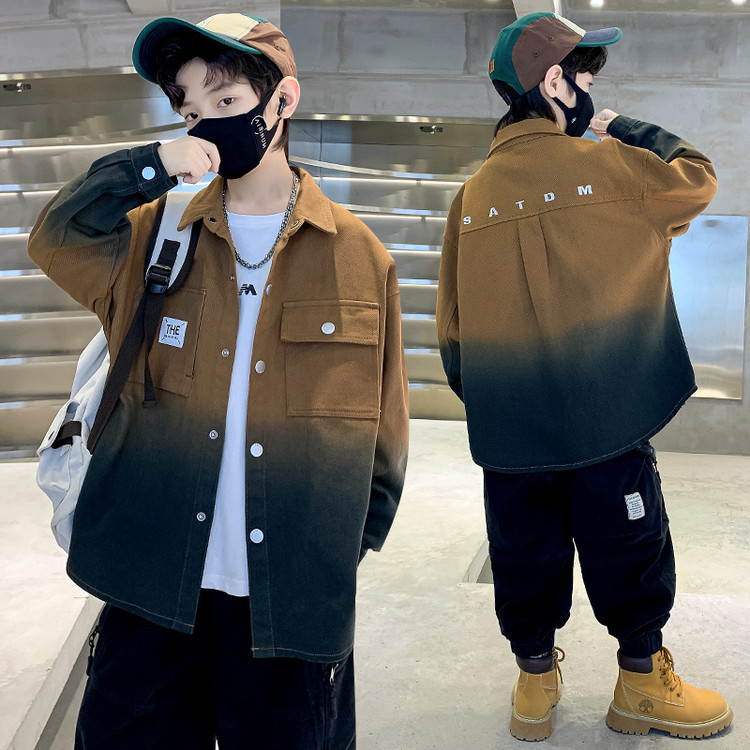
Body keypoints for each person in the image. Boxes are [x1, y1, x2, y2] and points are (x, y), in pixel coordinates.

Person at [29, 12, 409, 749]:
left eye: (227, 100)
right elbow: (58, 236)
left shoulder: (359, 256)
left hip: (288, 600)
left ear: (283, 101)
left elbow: (384, 435)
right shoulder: (156, 232)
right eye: (190, 110)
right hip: (151, 581)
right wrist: (150, 164)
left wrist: (335, 549)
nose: (206, 124)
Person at [437, 11, 732, 743]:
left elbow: (452, 329)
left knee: (523, 546)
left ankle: (534, 689)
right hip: (608, 412)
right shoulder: (612, 168)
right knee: (628, 542)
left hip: (512, 424)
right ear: (554, 81)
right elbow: (697, 178)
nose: (592, 90)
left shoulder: (471, 197)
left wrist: (502, 399)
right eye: (585, 76)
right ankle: (641, 686)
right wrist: (619, 125)